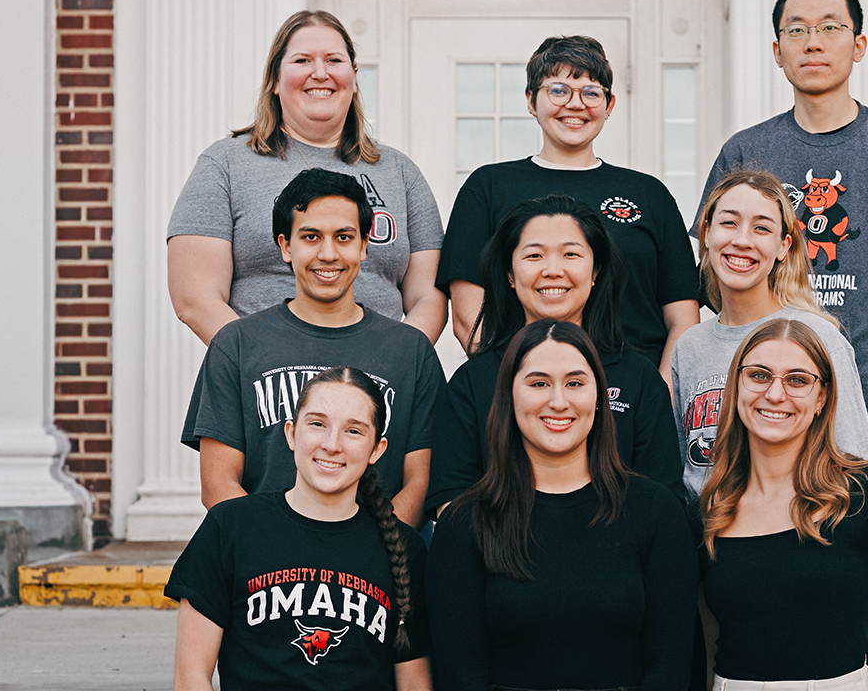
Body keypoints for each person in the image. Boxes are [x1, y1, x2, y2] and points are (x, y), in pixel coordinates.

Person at [694, 0, 868, 690]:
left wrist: (854, 348)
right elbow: (713, 272)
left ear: (859, 43)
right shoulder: (747, 149)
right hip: (771, 415)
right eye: (798, 29)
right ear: (775, 51)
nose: (814, 41)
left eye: (831, 27)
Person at [699, 319, 868, 691]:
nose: (775, 394)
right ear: (737, 387)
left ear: (822, 398)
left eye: (797, 379)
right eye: (759, 375)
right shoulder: (710, 510)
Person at [427, 320, 697, 691]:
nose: (558, 401)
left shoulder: (655, 512)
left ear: (599, 397)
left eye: (575, 383)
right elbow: (460, 675)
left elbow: (673, 666)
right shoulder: (466, 521)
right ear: (509, 396)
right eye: (538, 383)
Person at [180, 168, 448, 529]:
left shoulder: (410, 351)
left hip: (377, 567)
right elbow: (218, 486)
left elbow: (420, 483)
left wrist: (363, 553)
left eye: (343, 236)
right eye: (310, 236)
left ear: (364, 246)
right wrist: (290, 551)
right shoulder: (237, 344)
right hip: (266, 563)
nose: (328, 253)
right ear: (285, 246)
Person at [168, 9, 446, 345]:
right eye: (302, 61)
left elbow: (428, 299)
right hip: (263, 379)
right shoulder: (225, 164)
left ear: (354, 76)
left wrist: (394, 362)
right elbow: (195, 299)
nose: (320, 73)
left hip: (375, 382)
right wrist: (268, 362)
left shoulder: (400, 173)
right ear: (274, 79)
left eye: (333, 60)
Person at [437, 35, 699, 380]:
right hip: (523, 387)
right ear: (531, 100)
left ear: (609, 105)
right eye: (558, 90)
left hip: (631, 392)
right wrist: (522, 383)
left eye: (591, 93)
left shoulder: (649, 193)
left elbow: (682, 315)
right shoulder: (488, 187)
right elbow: (468, 312)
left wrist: (660, 391)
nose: (575, 105)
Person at [166, 366, 432, 691]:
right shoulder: (230, 527)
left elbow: (414, 683)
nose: (332, 444)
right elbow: (191, 676)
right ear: (292, 433)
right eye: (318, 424)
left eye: (354, 431)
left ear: (377, 449)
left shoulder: (404, 549)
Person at [426, 194, 684, 514]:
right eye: (534, 256)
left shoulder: (639, 378)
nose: (552, 270)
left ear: (596, 272)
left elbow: (663, 503)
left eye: (570, 254)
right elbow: (451, 505)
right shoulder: (471, 383)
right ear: (509, 274)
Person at [674, 171, 868, 497]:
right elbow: (687, 470)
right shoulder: (690, 347)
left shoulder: (818, 338)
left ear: (784, 246)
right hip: (708, 538)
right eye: (729, 223)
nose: (742, 240)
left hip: (796, 535)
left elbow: (857, 466)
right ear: (707, 234)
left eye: (762, 228)